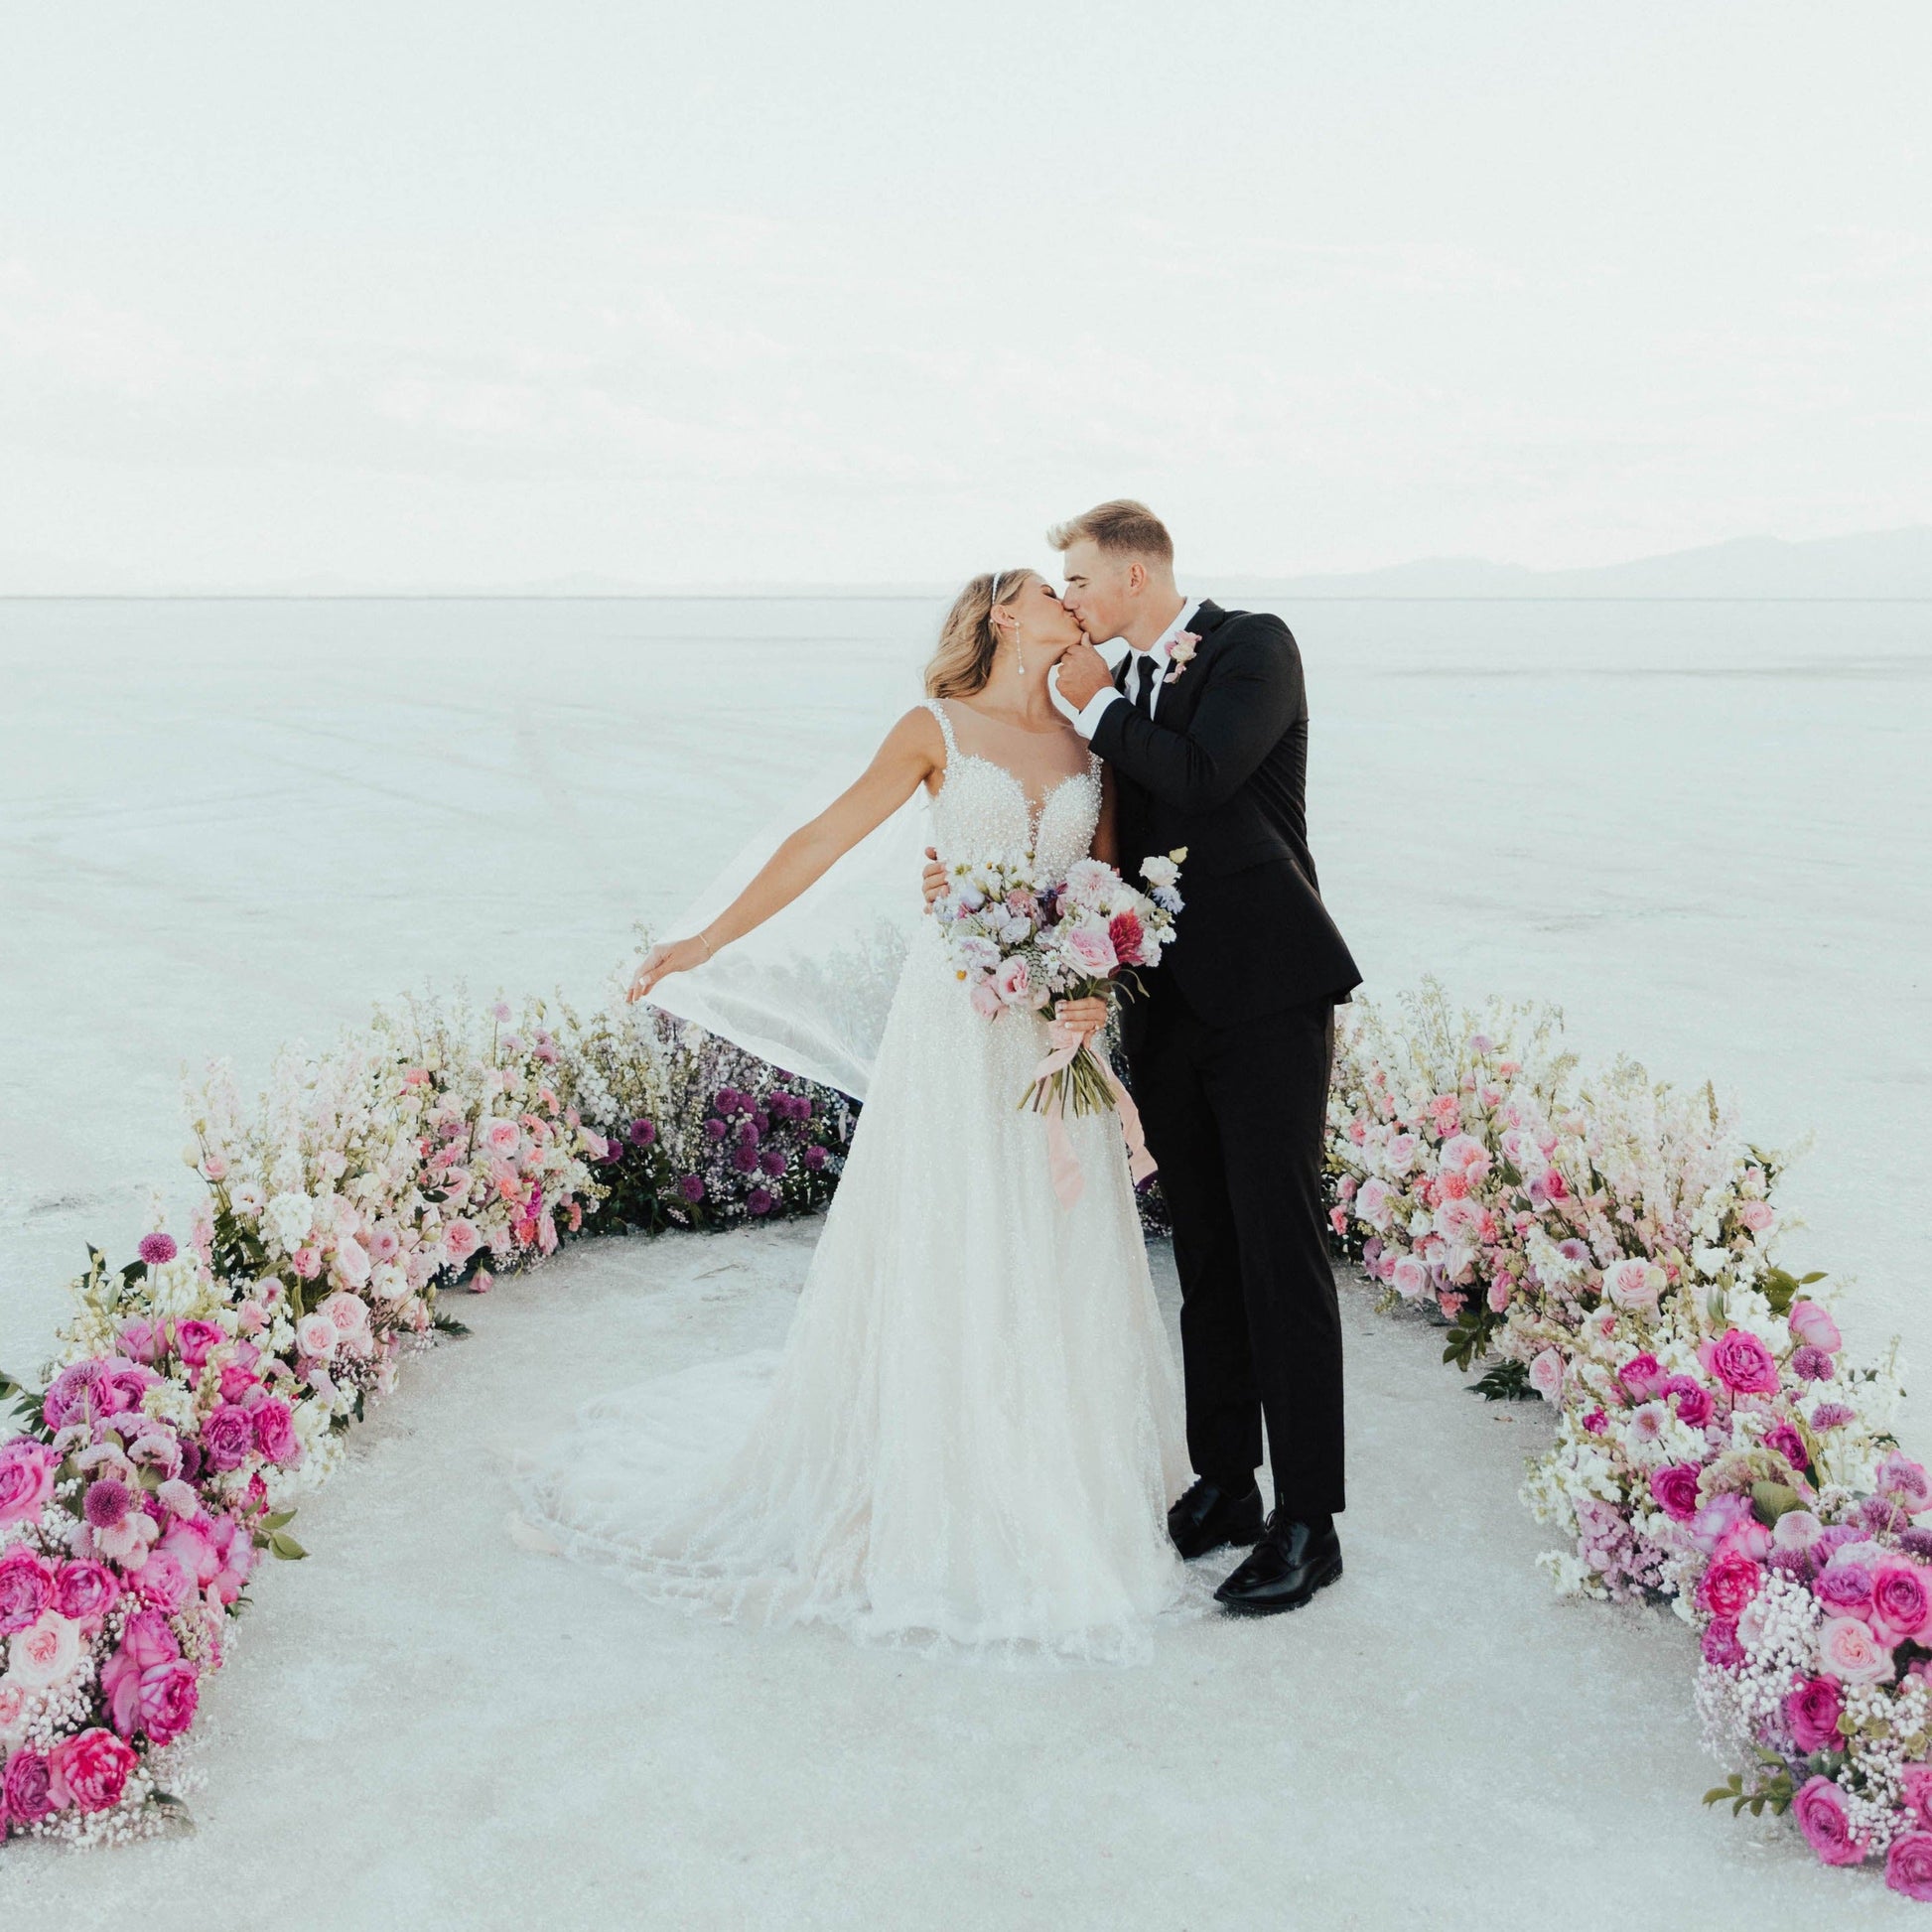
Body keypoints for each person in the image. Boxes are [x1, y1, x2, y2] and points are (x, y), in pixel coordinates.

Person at [513, 569, 1191, 1660]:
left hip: (1047, 1027)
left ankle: (1053, 1460)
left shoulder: (1088, 748)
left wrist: (1091, 982)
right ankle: (933, 1459)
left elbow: (1104, 890)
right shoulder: (933, 727)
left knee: (1047, 1224)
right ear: (1001, 615)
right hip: (954, 1022)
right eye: (1042, 588)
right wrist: (703, 940)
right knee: (949, 1216)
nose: (1067, 600)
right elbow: (822, 839)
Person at [927, 501, 1361, 1615]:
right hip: (1165, 1006)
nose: (1066, 598)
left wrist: (1092, 699)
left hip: (1268, 998)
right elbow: (1096, 847)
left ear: (1129, 574)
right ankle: (1224, 1477)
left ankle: (1309, 1519)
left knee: (1279, 1249)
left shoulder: (1251, 645)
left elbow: (1207, 774)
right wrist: (982, 896)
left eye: (1075, 578)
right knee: (1205, 1253)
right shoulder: (1117, 696)